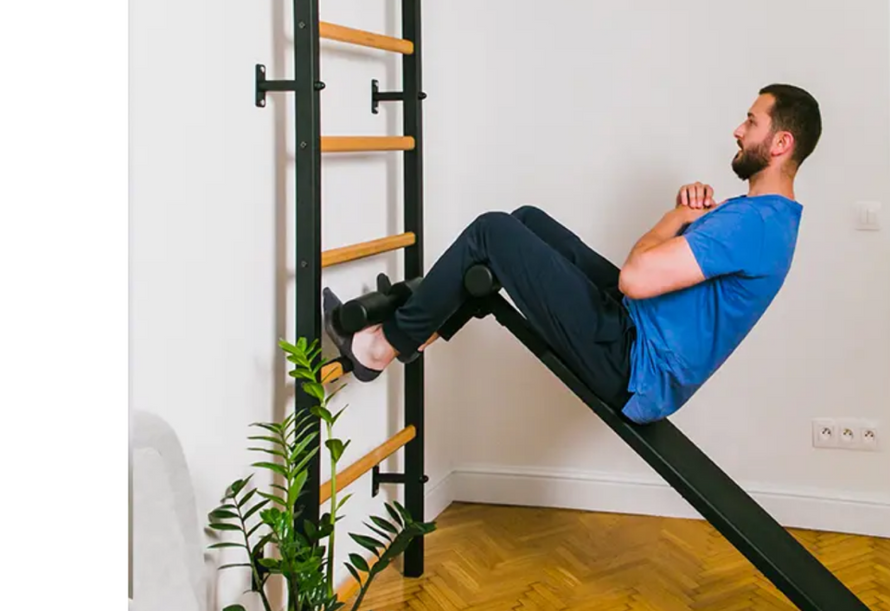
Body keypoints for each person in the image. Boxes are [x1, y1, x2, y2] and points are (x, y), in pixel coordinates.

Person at [323, 84, 821, 424]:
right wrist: (681, 215)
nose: (737, 129)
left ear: (780, 142)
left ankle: (379, 349)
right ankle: (424, 326)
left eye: (751, 122)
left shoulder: (752, 223)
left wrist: (672, 220)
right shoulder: (766, 218)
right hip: (637, 335)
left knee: (492, 232)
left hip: (632, 364)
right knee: (526, 220)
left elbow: (636, 279)